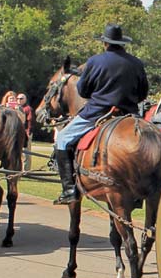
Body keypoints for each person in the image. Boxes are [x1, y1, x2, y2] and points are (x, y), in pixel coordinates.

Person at [53, 24, 149, 204]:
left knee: (63, 139)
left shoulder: (95, 61)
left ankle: (69, 189)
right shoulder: (136, 63)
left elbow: (83, 91)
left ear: (105, 43)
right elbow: (143, 94)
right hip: (129, 115)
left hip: (98, 113)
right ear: (122, 43)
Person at [15, 92, 34, 170]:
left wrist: (28, 133)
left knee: (26, 152)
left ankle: (26, 170)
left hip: (26, 133)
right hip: (17, 133)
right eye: (17, 98)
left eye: (21, 98)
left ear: (25, 99)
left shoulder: (28, 109)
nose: (19, 100)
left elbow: (30, 121)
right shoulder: (15, 108)